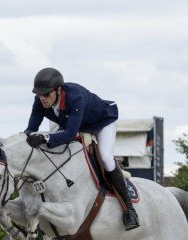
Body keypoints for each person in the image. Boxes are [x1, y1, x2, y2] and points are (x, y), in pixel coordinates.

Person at [24, 67, 140, 231]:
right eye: (39, 94)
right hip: (77, 125)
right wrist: (27, 137)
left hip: (102, 122)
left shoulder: (75, 96)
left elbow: (70, 134)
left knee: (106, 158)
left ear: (58, 90)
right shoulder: (41, 99)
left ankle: (129, 210)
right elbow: (33, 125)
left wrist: (45, 138)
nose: (42, 98)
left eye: (46, 94)